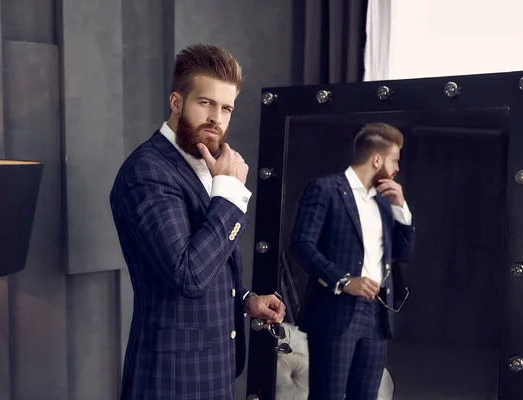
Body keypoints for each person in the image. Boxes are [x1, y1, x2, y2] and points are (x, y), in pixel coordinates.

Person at [109, 44, 286, 400]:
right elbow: (188, 273)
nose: (216, 119)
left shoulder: (207, 163)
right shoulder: (147, 172)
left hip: (215, 369)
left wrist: (246, 298)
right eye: (205, 103)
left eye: (226, 108)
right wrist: (232, 192)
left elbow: (208, 257)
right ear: (177, 102)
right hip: (172, 379)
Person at [289, 122, 416, 400]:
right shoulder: (325, 189)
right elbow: (300, 245)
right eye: (395, 160)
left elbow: (403, 255)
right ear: (377, 159)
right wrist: (344, 281)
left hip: (377, 314)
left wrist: (401, 209)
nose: (397, 169)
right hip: (335, 311)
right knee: (328, 396)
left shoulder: (384, 202)